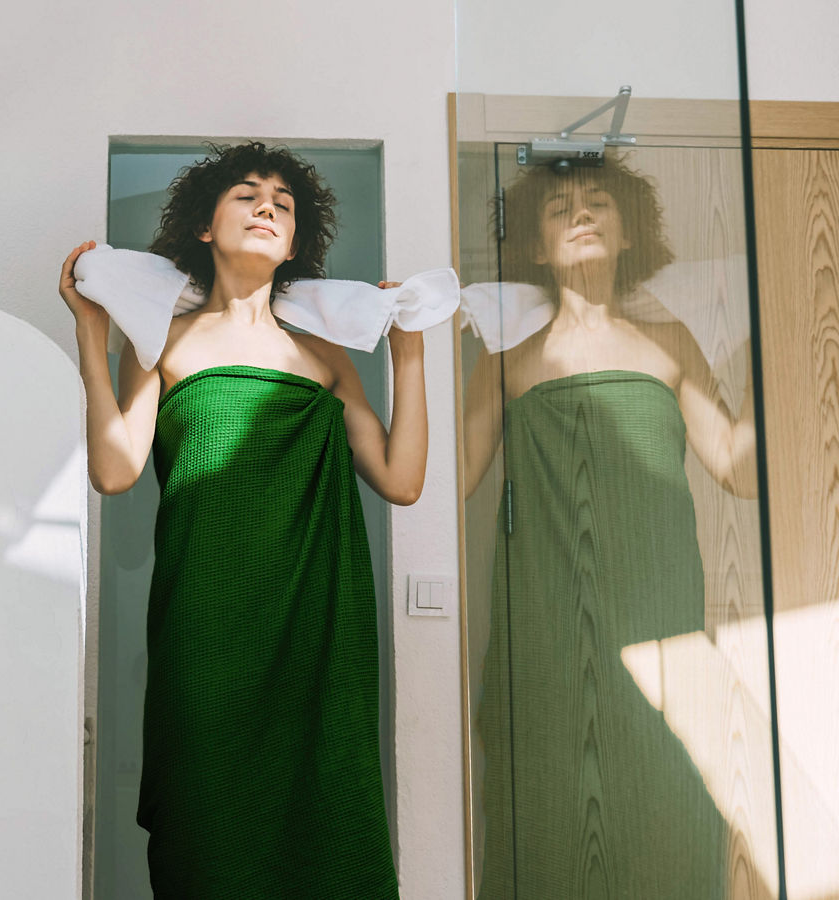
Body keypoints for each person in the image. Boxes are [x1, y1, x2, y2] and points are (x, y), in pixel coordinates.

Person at [58, 142, 420, 899]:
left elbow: (401, 478)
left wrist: (410, 355)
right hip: (205, 629)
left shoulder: (325, 356)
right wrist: (94, 339)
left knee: (327, 828)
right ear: (203, 226)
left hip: (318, 635)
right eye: (247, 196)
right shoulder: (164, 342)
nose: (266, 207)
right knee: (208, 834)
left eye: (282, 204)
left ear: (294, 242)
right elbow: (114, 469)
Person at [464, 156, 756, 898]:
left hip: (661, 615)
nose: (582, 215)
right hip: (542, 630)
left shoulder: (673, 343)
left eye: (598, 203)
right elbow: (445, 488)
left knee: (669, 800)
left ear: (629, 232)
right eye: (560, 209)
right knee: (547, 817)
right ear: (536, 246)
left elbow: (737, 467)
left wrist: (777, 358)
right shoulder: (505, 362)